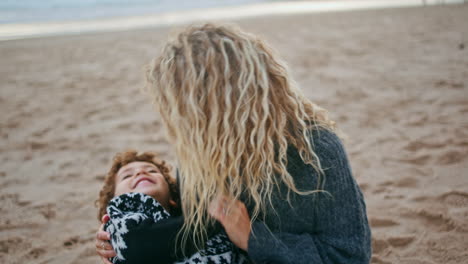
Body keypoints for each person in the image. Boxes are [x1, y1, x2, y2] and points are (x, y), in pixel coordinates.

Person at [97, 22, 372, 263]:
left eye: (183, 108)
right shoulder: (196, 157)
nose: (178, 121)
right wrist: (120, 239)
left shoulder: (315, 151)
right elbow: (190, 228)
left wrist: (254, 238)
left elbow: (348, 256)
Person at [95, 150, 249, 264]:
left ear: (173, 198)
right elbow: (140, 245)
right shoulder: (120, 218)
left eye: (152, 171)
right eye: (127, 176)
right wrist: (216, 217)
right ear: (113, 198)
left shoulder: (185, 215)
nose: (141, 172)